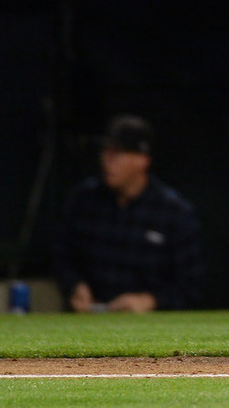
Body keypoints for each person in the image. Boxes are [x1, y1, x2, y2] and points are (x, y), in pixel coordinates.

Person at [52, 115, 204, 312]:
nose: (106, 160)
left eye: (116, 153)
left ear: (142, 160)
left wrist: (151, 301)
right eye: (105, 150)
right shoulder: (83, 200)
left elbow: (192, 285)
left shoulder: (174, 212)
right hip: (87, 320)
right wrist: (74, 285)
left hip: (152, 327)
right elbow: (61, 254)